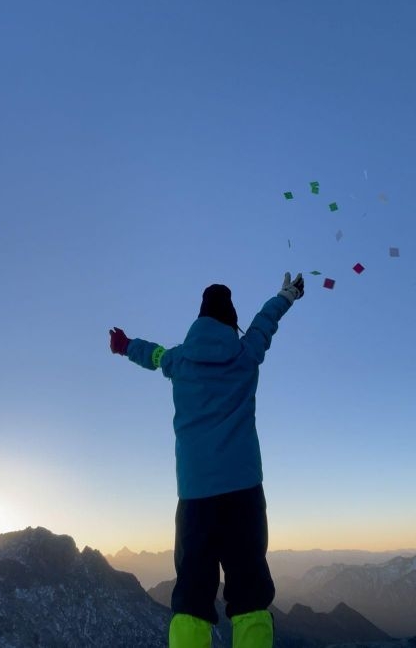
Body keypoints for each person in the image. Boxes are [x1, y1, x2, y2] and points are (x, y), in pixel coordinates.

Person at [109, 272, 304, 648]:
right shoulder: (246, 354)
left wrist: (125, 345)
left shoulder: (178, 360)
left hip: (195, 496)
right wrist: (288, 294)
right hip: (244, 492)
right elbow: (266, 321)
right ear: (232, 321)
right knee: (249, 591)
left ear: (199, 319)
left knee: (192, 595)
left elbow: (152, 354)